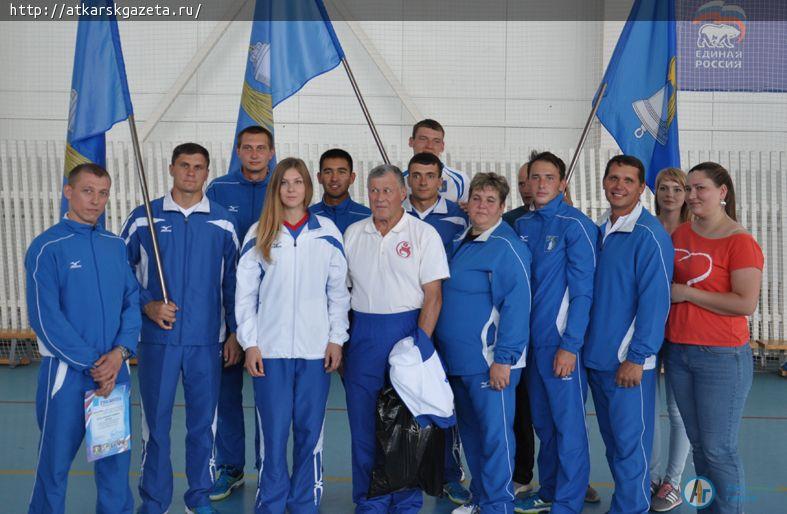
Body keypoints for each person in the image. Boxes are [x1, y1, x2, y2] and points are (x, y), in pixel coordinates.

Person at [122, 143, 239, 514]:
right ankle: (154, 502)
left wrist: (235, 331)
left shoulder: (222, 221)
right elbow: (119, 274)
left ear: (208, 173)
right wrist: (148, 304)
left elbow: (235, 282)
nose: (191, 172)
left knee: (203, 425)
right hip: (158, 341)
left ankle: (198, 499)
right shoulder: (144, 219)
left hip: (207, 342)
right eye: (184, 165)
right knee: (154, 426)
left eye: (199, 167)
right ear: (171, 168)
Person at [235, 158, 350, 513]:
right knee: (272, 433)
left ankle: (304, 502)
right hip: (270, 352)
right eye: (284, 182)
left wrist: (336, 338)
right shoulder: (259, 233)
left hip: (315, 352)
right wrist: (250, 343)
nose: (291, 189)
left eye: (297, 182)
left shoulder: (327, 231)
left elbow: (339, 293)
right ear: (276, 188)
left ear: (307, 188)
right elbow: (244, 295)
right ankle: (270, 502)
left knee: (309, 432)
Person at [26, 163, 141, 514]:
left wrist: (120, 353)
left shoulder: (114, 245)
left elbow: (131, 302)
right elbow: (46, 319)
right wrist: (94, 364)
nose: (95, 200)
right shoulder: (47, 248)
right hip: (67, 376)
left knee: (114, 466)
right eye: (87, 191)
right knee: (55, 467)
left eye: (103, 193)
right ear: (68, 192)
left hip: (114, 371)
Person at [343, 164, 449, 513]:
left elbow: (433, 296)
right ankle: (369, 500)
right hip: (362, 338)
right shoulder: (353, 234)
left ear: (403, 193)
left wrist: (420, 344)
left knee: (407, 428)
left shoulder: (423, 235)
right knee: (363, 427)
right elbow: (341, 293)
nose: (380, 198)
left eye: (387, 190)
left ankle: (405, 501)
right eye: (374, 191)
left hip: (407, 336)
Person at [666, 162, 763, 514]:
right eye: (688, 189)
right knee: (699, 446)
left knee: (719, 448)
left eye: (699, 188)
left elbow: (745, 303)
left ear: (722, 192)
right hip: (680, 353)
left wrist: (688, 294)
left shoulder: (741, 242)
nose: (691, 196)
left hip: (720, 357)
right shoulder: (680, 235)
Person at [434, 172, 532, 514]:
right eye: (477, 198)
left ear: (502, 207)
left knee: (495, 437)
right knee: (473, 436)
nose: (482, 206)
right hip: (458, 361)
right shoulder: (463, 239)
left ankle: (499, 505)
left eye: (491, 200)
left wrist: (503, 359)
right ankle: (481, 498)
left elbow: (517, 306)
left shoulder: (506, 247)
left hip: (490, 362)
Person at [584, 155, 673, 514]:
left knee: (630, 446)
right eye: (613, 178)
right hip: (596, 359)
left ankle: (631, 508)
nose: (619, 186)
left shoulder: (650, 235)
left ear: (640, 188)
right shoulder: (599, 230)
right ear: (604, 182)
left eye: (628, 180)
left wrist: (637, 357)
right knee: (614, 444)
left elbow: (655, 302)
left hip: (628, 364)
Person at [514, 152, 597, 514]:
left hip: (560, 344)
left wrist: (570, 346)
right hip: (528, 345)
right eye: (536, 177)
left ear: (562, 183)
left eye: (549, 177)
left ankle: (569, 500)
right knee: (544, 425)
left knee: (568, 428)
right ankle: (548, 490)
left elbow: (583, 293)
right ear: (528, 182)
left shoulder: (576, 226)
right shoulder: (523, 225)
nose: (542, 184)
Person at [205, 125, 274, 501]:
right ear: (237, 150)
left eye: (260, 148)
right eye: (247, 148)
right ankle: (230, 467)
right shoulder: (218, 190)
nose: (253, 154)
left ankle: (269, 469)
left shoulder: (283, 188)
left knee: (269, 398)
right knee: (227, 397)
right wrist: (233, 329)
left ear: (271, 151)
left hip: (275, 314)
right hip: (228, 313)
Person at [403, 150, 469, 504]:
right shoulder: (394, 215)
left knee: (445, 401)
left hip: (447, 322)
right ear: (407, 178)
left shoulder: (460, 218)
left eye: (430, 175)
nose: (423, 181)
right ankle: (406, 471)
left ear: (441, 180)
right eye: (416, 175)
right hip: (401, 322)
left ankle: (449, 473)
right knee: (403, 398)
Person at [649, 168, 692, 512]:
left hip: (681, 331)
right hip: (646, 330)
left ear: (686, 193)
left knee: (677, 411)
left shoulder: (694, 234)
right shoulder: (645, 228)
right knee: (645, 407)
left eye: (676, 188)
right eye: (663, 188)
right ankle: (648, 475)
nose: (669, 194)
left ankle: (672, 482)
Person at [502, 156, 536, 497]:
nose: (531, 187)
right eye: (525, 181)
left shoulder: (571, 223)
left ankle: (571, 478)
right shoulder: (509, 222)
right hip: (515, 331)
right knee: (519, 408)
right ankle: (521, 473)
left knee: (560, 415)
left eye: (539, 179)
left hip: (551, 333)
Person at [405, 152, 468, 246]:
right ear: (408, 181)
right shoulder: (394, 213)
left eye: (430, 176)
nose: (423, 183)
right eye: (416, 176)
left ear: (440, 182)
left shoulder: (460, 216)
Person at [403, 119, 471, 204]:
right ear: (411, 142)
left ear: (442, 146)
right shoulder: (399, 181)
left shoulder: (460, 181)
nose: (429, 146)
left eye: (436, 141)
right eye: (423, 139)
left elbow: (470, 214)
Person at [309, 148, 371, 233]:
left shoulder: (368, 217)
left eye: (341, 172)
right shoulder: (307, 217)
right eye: (328, 172)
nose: (334, 178)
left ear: (352, 178)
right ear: (319, 178)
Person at [502, 158, 535, 227]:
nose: (525, 190)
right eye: (521, 184)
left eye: (530, 184)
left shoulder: (559, 217)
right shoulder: (507, 220)